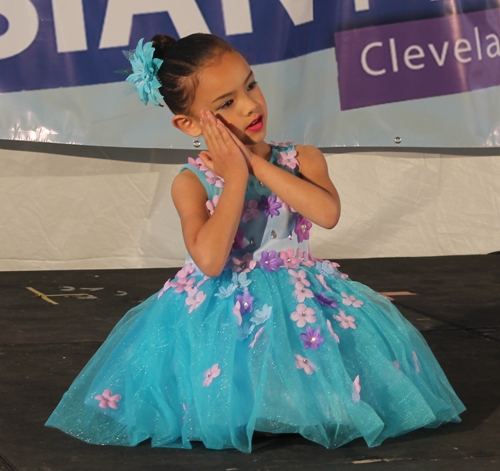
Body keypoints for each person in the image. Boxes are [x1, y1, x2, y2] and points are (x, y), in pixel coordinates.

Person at [46, 33, 465, 453]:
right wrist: (236, 178)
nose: (249, 105)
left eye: (250, 84)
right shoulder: (191, 182)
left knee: (325, 388)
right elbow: (210, 260)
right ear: (191, 124)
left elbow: (327, 213)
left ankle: (292, 405)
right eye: (226, 103)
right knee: (236, 380)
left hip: (301, 301)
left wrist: (254, 163)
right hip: (222, 310)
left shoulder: (303, 158)